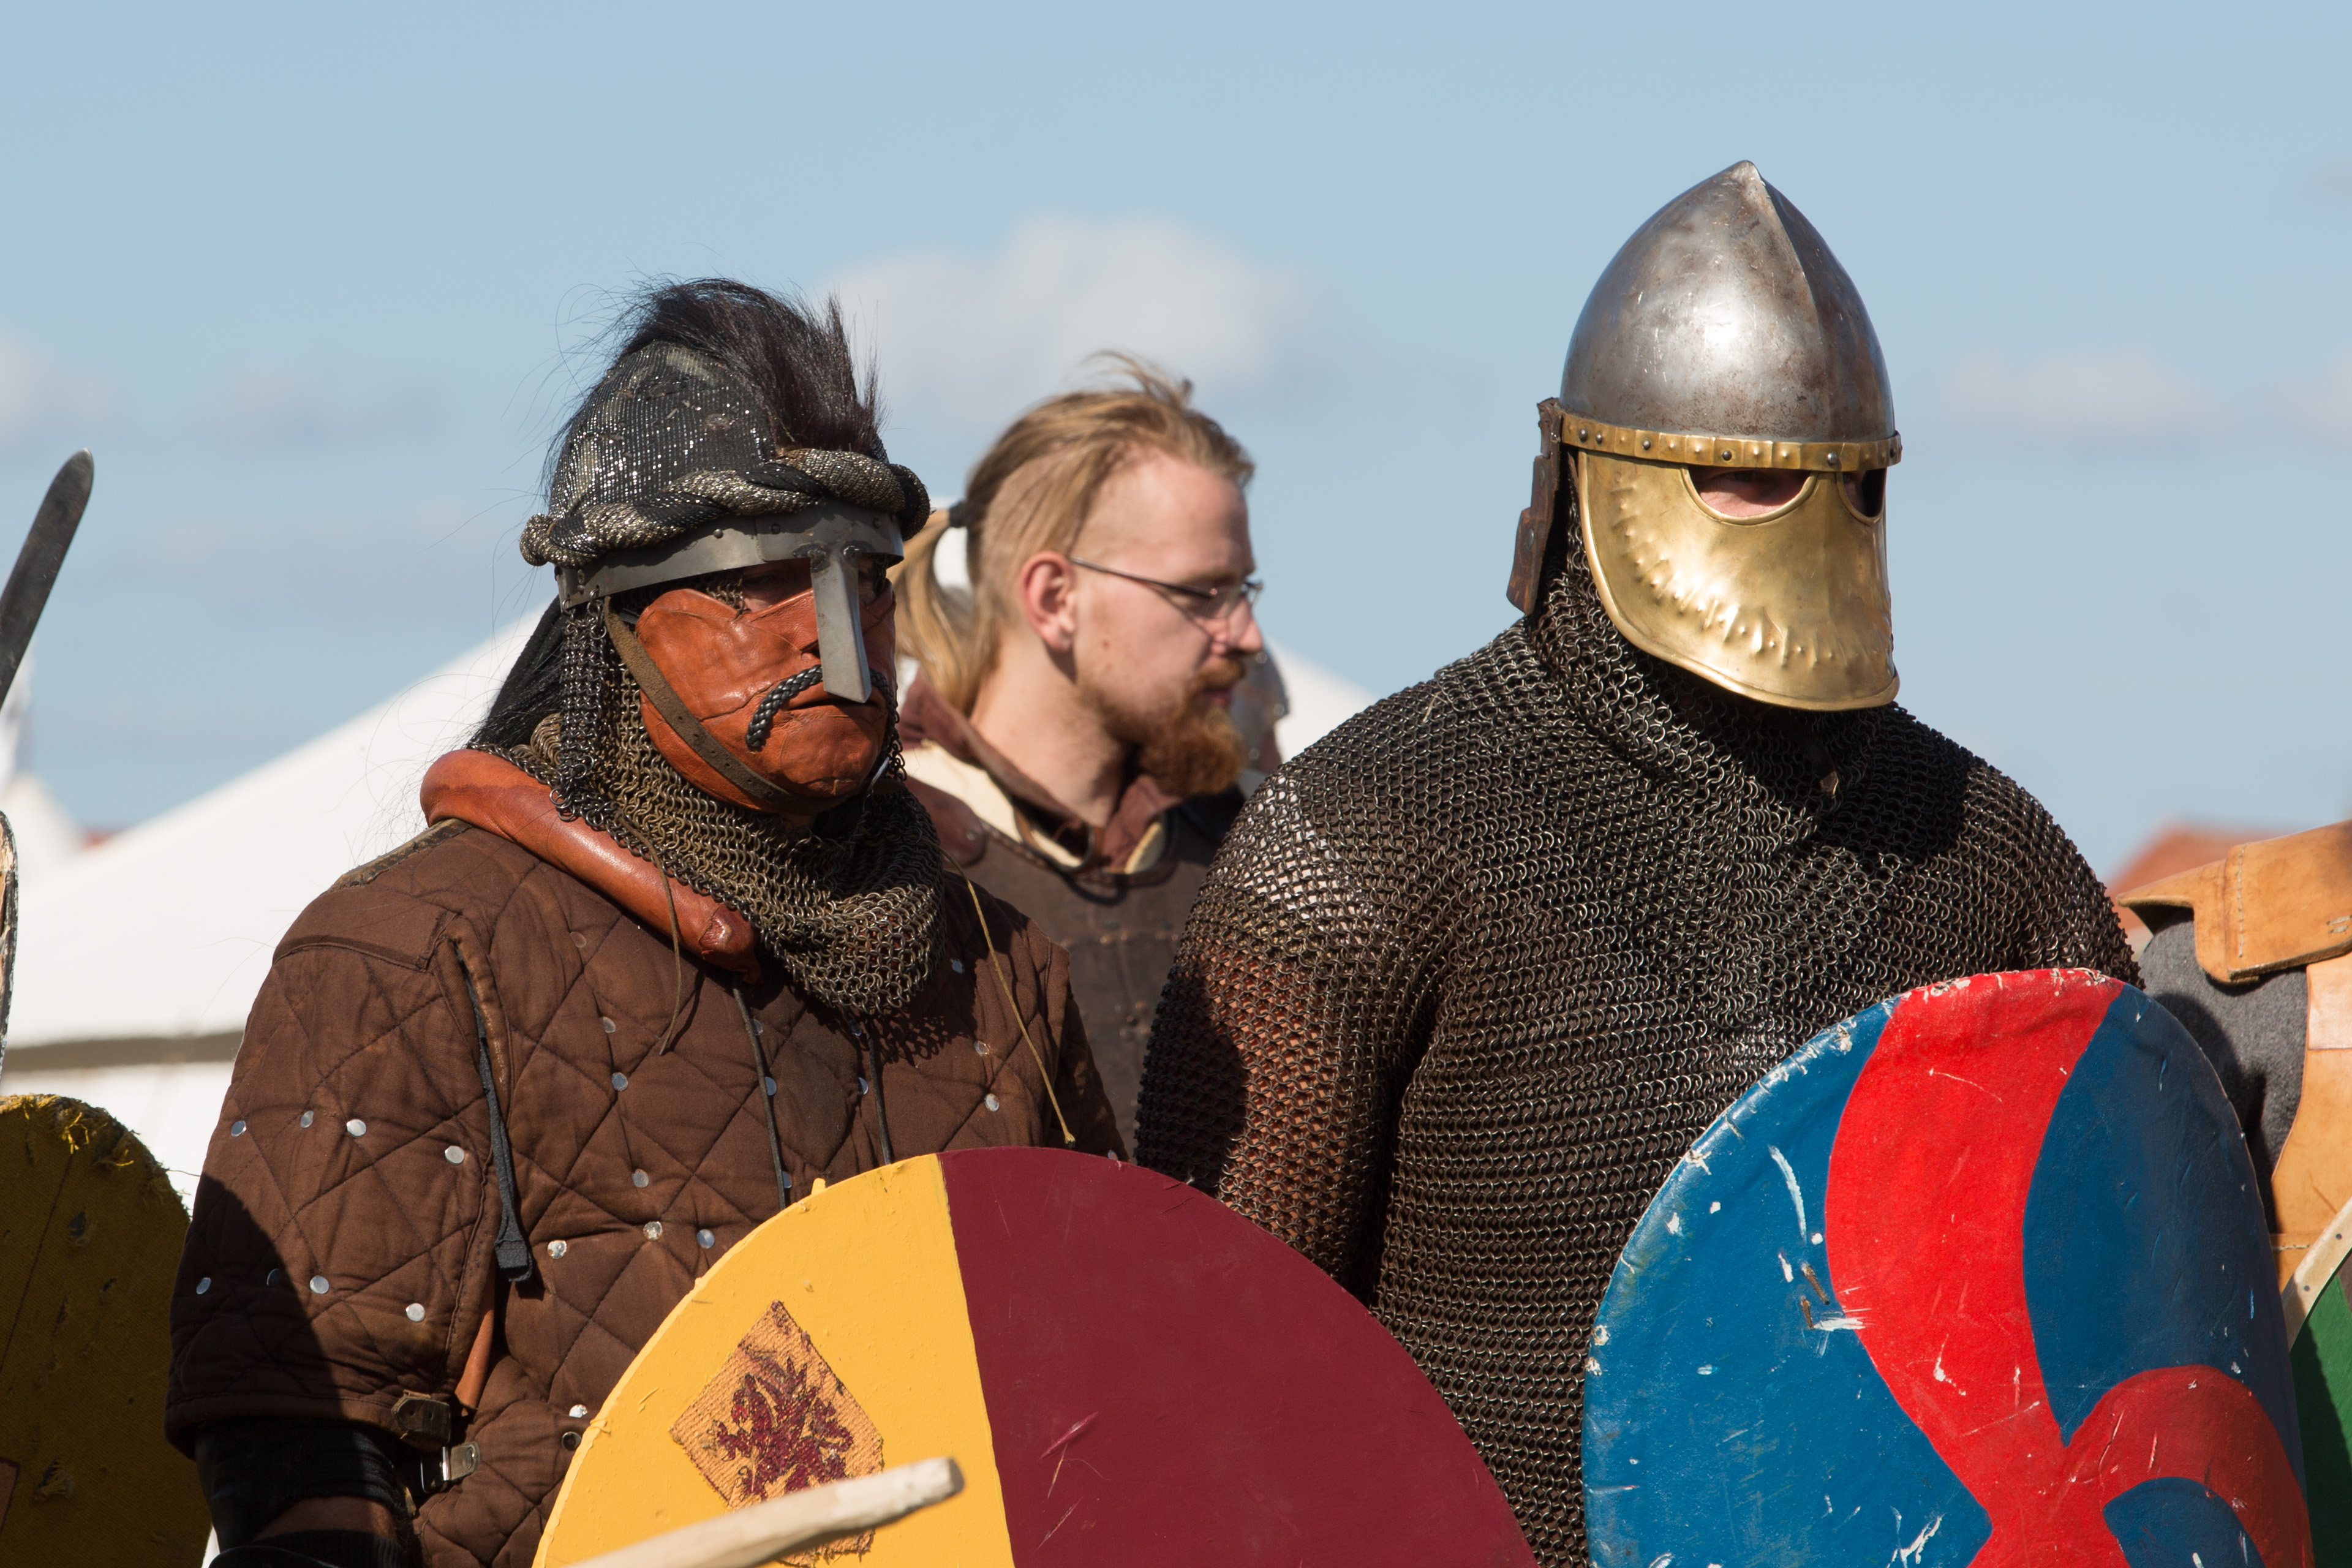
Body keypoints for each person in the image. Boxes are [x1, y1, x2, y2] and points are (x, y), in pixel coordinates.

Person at [1134, 163, 2135, 1564]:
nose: (1792, 516)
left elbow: (2115, 1313)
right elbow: (1218, 1340)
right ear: (1586, 480)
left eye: (1834, 484)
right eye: (1741, 478)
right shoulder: (1374, 827)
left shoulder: (1981, 849)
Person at [168, 281, 1121, 1568]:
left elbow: (1107, 1379)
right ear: (616, 614)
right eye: (763, 584)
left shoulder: (996, 962)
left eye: (864, 584)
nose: (838, 644)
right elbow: (303, 1441)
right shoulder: (410, 953)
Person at [892, 363, 1264, 1139]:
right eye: (1204, 593)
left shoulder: (1258, 846)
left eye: (1244, 591)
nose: (1246, 637)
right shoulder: (878, 854)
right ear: (1056, 598)